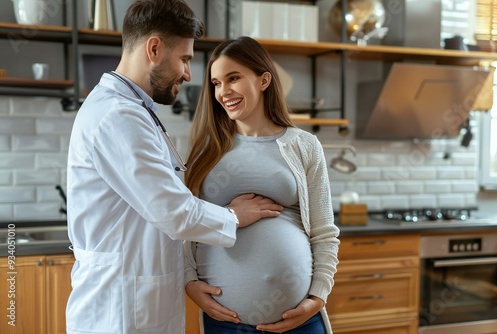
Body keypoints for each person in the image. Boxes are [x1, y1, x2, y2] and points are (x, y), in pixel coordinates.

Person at [65, 2, 283, 333]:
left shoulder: (135, 111)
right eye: (184, 59)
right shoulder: (118, 116)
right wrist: (235, 216)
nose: (188, 73)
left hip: (140, 300)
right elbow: (173, 212)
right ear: (154, 48)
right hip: (118, 310)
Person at [183, 36, 341, 334]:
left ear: (263, 80)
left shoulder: (304, 145)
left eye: (233, 78)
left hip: (299, 321)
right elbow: (184, 226)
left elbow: (323, 232)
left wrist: (319, 295)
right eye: (216, 83)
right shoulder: (206, 149)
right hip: (225, 322)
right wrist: (189, 281)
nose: (223, 91)